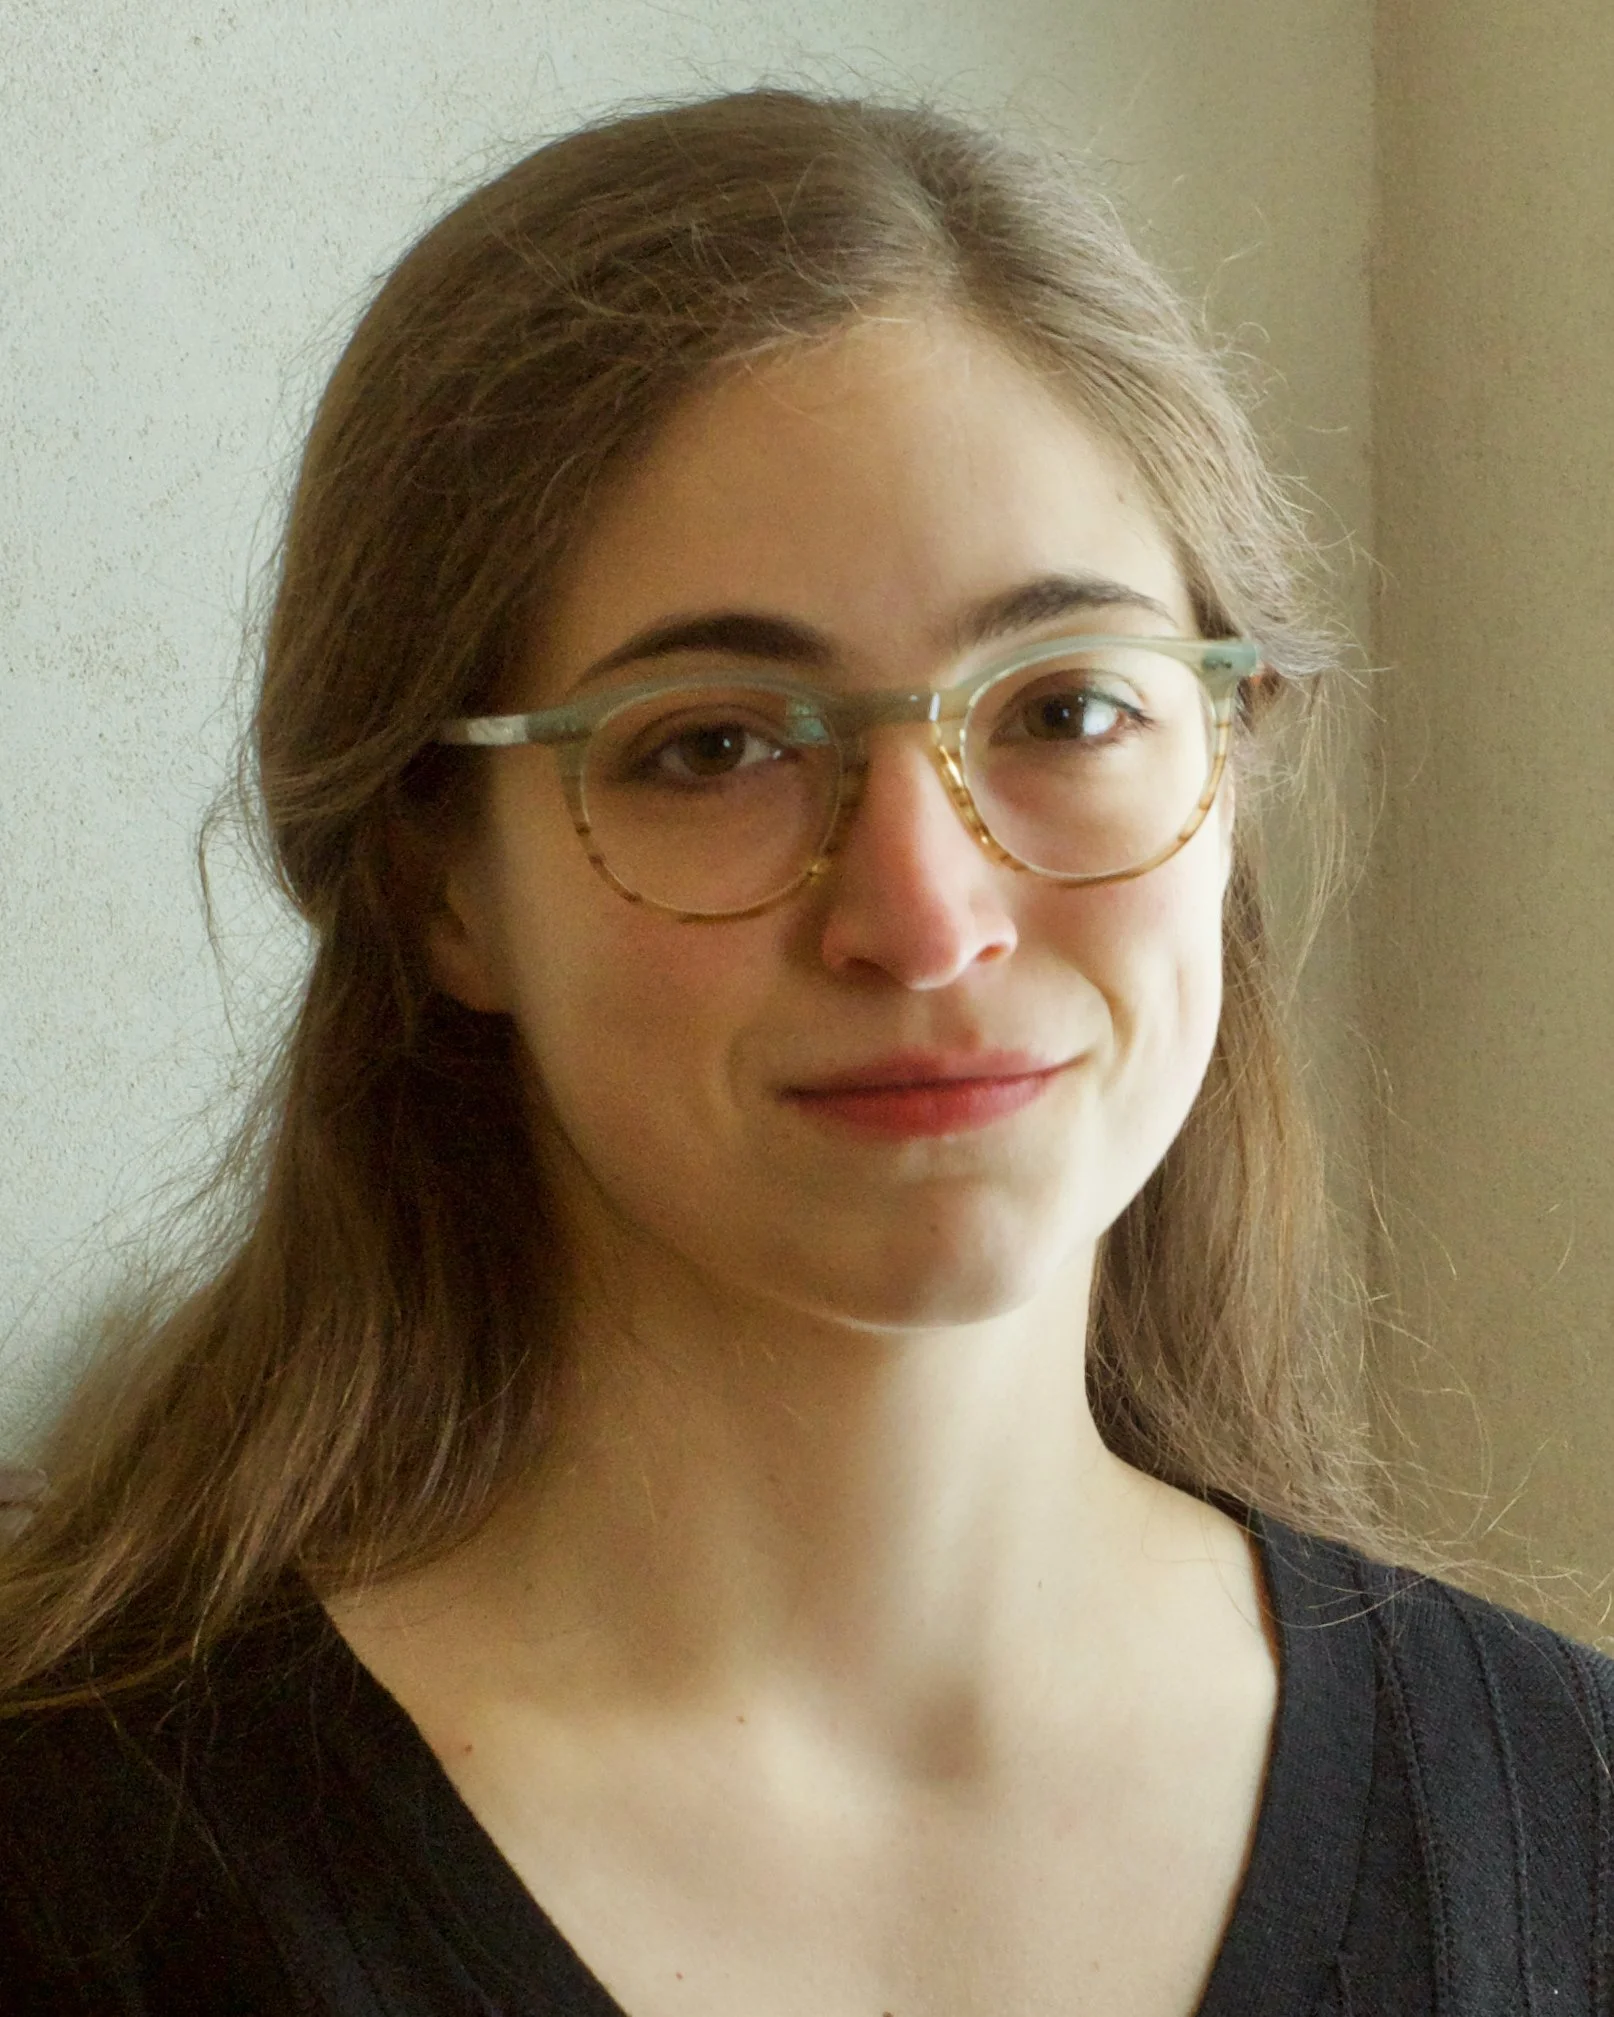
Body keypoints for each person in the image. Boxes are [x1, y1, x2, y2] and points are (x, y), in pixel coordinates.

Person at [1, 86, 1609, 2017]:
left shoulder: (1577, 1826)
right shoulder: (73, 1878)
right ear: (442, 889)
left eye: (1067, 709)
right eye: (713, 746)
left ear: (1229, 771)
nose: (924, 916)